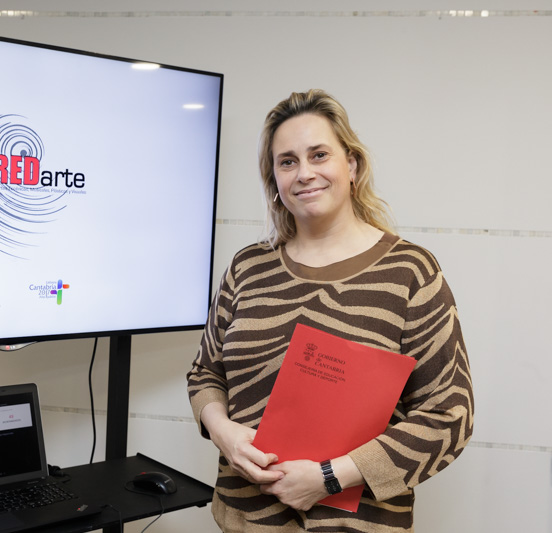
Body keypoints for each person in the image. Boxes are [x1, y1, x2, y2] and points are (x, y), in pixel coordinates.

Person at [187, 89, 474, 532]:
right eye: (287, 161)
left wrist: (329, 477)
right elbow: (205, 374)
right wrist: (225, 435)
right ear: (274, 180)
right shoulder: (247, 267)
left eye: (319, 155)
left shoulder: (409, 272)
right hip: (245, 522)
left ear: (352, 165)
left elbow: (449, 414)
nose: (305, 173)